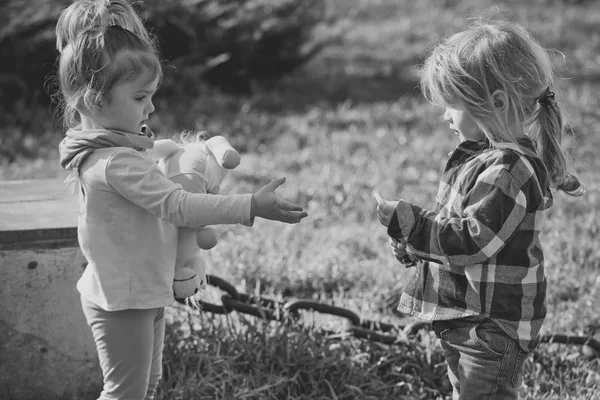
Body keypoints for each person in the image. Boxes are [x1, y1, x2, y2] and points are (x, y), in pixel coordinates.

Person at [54, 1, 307, 399]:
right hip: (125, 300)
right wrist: (250, 206)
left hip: (138, 290)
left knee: (146, 386)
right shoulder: (116, 162)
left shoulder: (109, 148)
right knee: (125, 392)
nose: (150, 107)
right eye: (140, 97)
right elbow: (180, 206)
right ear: (93, 102)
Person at [375, 17, 585, 400]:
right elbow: (453, 226)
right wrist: (410, 242)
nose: (444, 117)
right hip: (467, 317)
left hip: (490, 325)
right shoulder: (484, 157)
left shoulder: (508, 170)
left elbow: (471, 241)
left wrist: (408, 222)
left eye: (451, 106)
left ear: (496, 103)